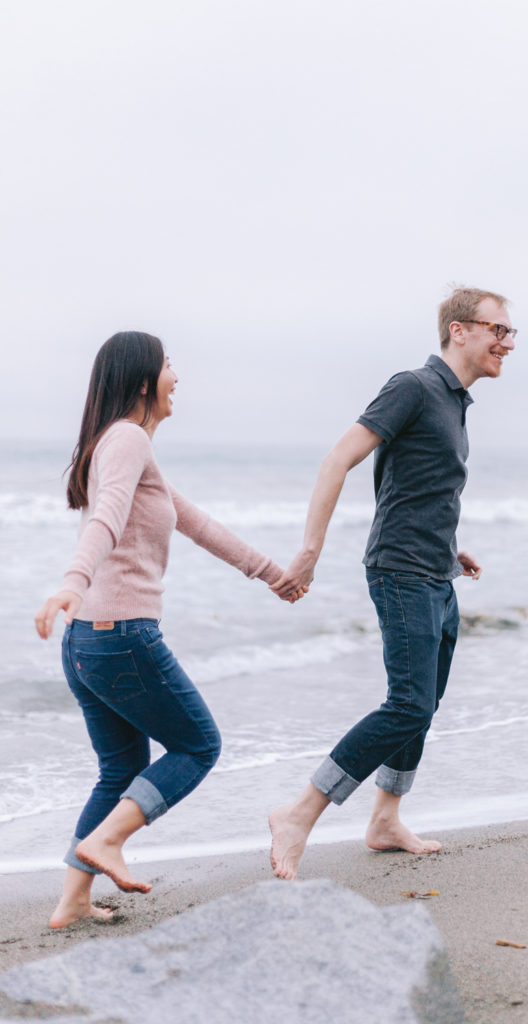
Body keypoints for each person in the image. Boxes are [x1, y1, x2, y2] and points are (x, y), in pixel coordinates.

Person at [35, 331, 304, 928]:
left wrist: (271, 575)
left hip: (88, 641)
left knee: (119, 771)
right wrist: (73, 580)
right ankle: (107, 844)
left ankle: (73, 901)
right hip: (121, 634)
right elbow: (104, 521)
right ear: (141, 381)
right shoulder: (127, 439)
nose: (176, 376)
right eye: (168, 365)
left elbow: (197, 524)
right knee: (198, 745)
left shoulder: (120, 446)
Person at [268, 286, 516, 879]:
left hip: (435, 571)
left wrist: (447, 544)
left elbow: (413, 484)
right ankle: (299, 813)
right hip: (400, 573)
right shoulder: (414, 386)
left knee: (423, 704)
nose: (507, 343)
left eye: (510, 333)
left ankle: (384, 820)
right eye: (497, 330)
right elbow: (339, 459)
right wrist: (308, 553)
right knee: (406, 705)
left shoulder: (454, 401)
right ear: (460, 330)